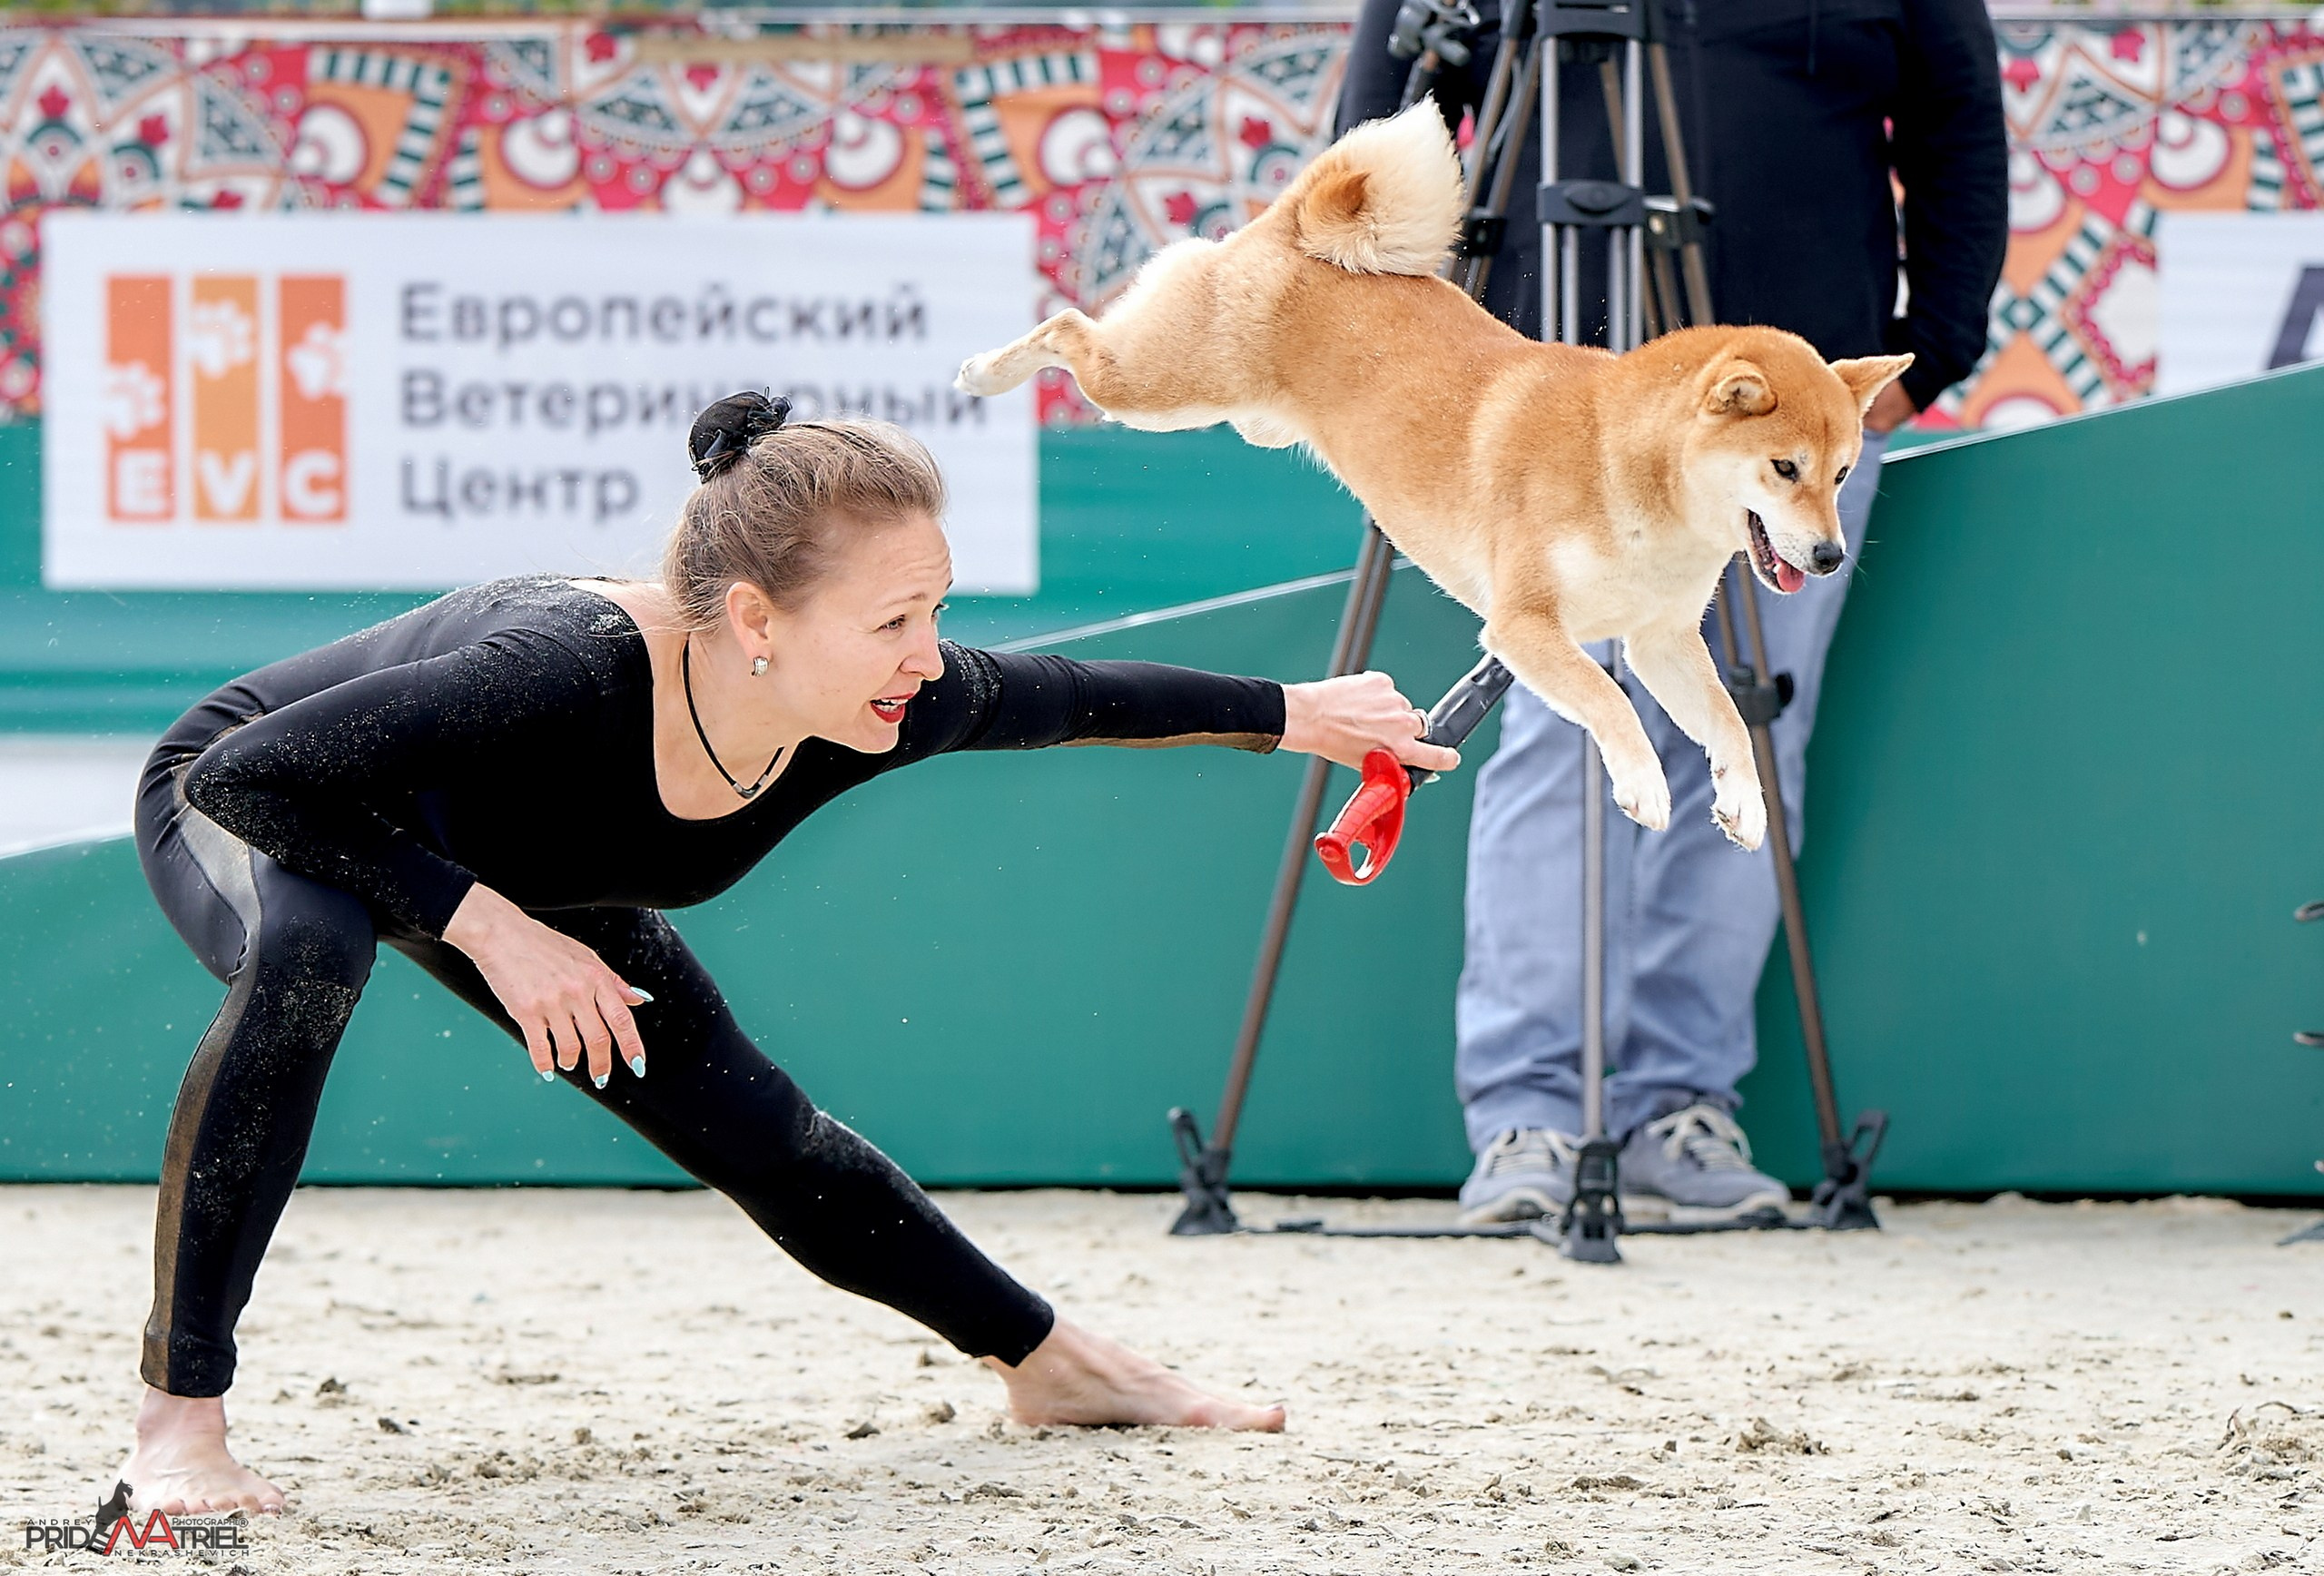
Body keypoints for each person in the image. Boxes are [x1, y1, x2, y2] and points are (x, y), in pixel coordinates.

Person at [118, 393, 1461, 1516]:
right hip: (268, 801)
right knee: (310, 956)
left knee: (754, 1122)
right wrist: (487, 924)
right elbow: (251, 776)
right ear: (755, 622)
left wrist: (1303, 715)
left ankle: (1050, 1363)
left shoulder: (877, 700)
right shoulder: (567, 668)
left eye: (935, 609)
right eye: (893, 621)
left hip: (514, 873)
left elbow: (1068, 696)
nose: (927, 655)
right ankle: (179, 1432)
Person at [1337, 0, 2005, 1222]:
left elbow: (1959, 124)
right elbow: (1382, 138)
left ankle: (1677, 1108)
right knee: (1559, 735)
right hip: (1566, 403)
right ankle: (1530, 1114)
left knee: (1743, 740)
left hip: (1796, 423)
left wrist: (1933, 352)